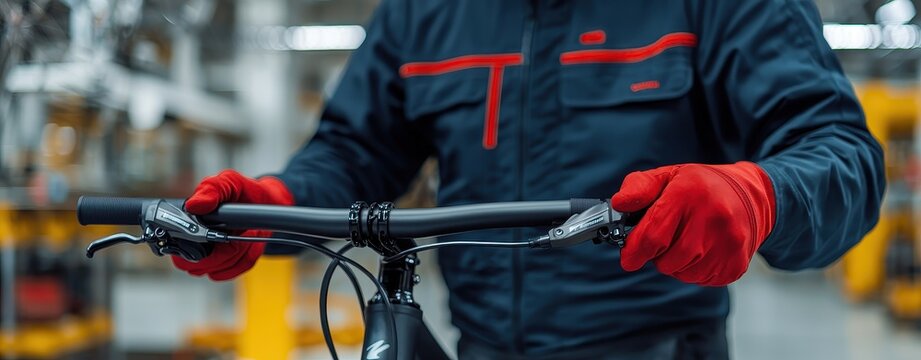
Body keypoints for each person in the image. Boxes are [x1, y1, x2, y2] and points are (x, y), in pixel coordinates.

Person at [172, 1, 886, 359]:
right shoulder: (426, 12)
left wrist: (759, 195)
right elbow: (355, 152)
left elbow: (839, 152)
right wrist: (276, 203)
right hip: (476, 346)